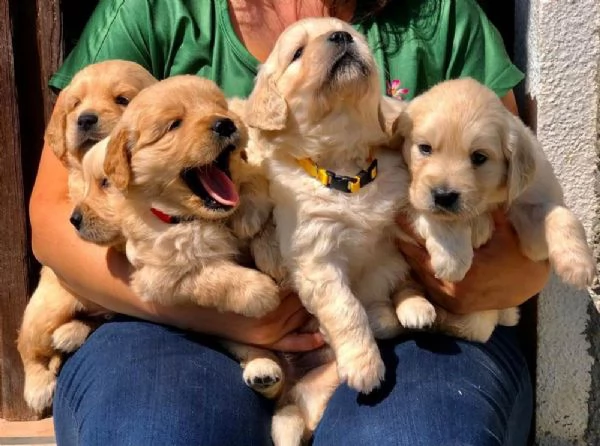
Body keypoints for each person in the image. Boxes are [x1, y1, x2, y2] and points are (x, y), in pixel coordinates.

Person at [29, 0, 550, 444]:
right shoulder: (151, 10)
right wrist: (215, 313)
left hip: (412, 323)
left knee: (411, 435)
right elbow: (53, 219)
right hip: (169, 317)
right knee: (160, 429)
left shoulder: (442, 15)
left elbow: (528, 230)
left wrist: (451, 287)